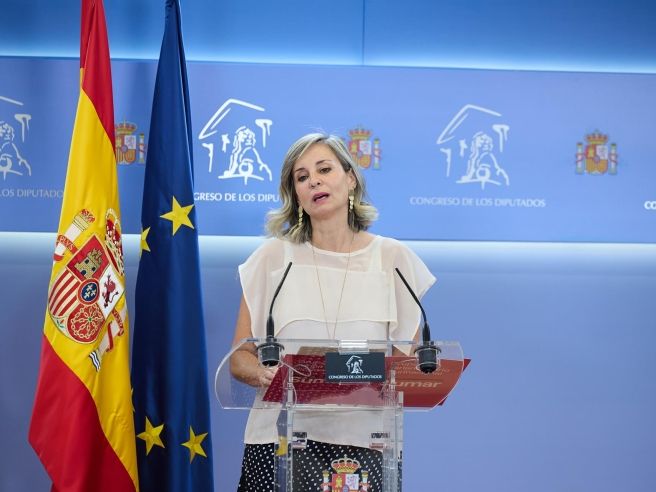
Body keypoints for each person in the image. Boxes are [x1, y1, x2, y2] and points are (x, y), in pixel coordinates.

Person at [230, 132, 435, 491]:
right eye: (302, 177)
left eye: (324, 169)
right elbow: (239, 357)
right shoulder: (272, 259)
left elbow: (406, 362)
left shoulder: (393, 259)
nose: (314, 181)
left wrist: (423, 369)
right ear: (295, 194)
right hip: (278, 440)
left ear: (351, 178)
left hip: (366, 444)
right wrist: (264, 375)